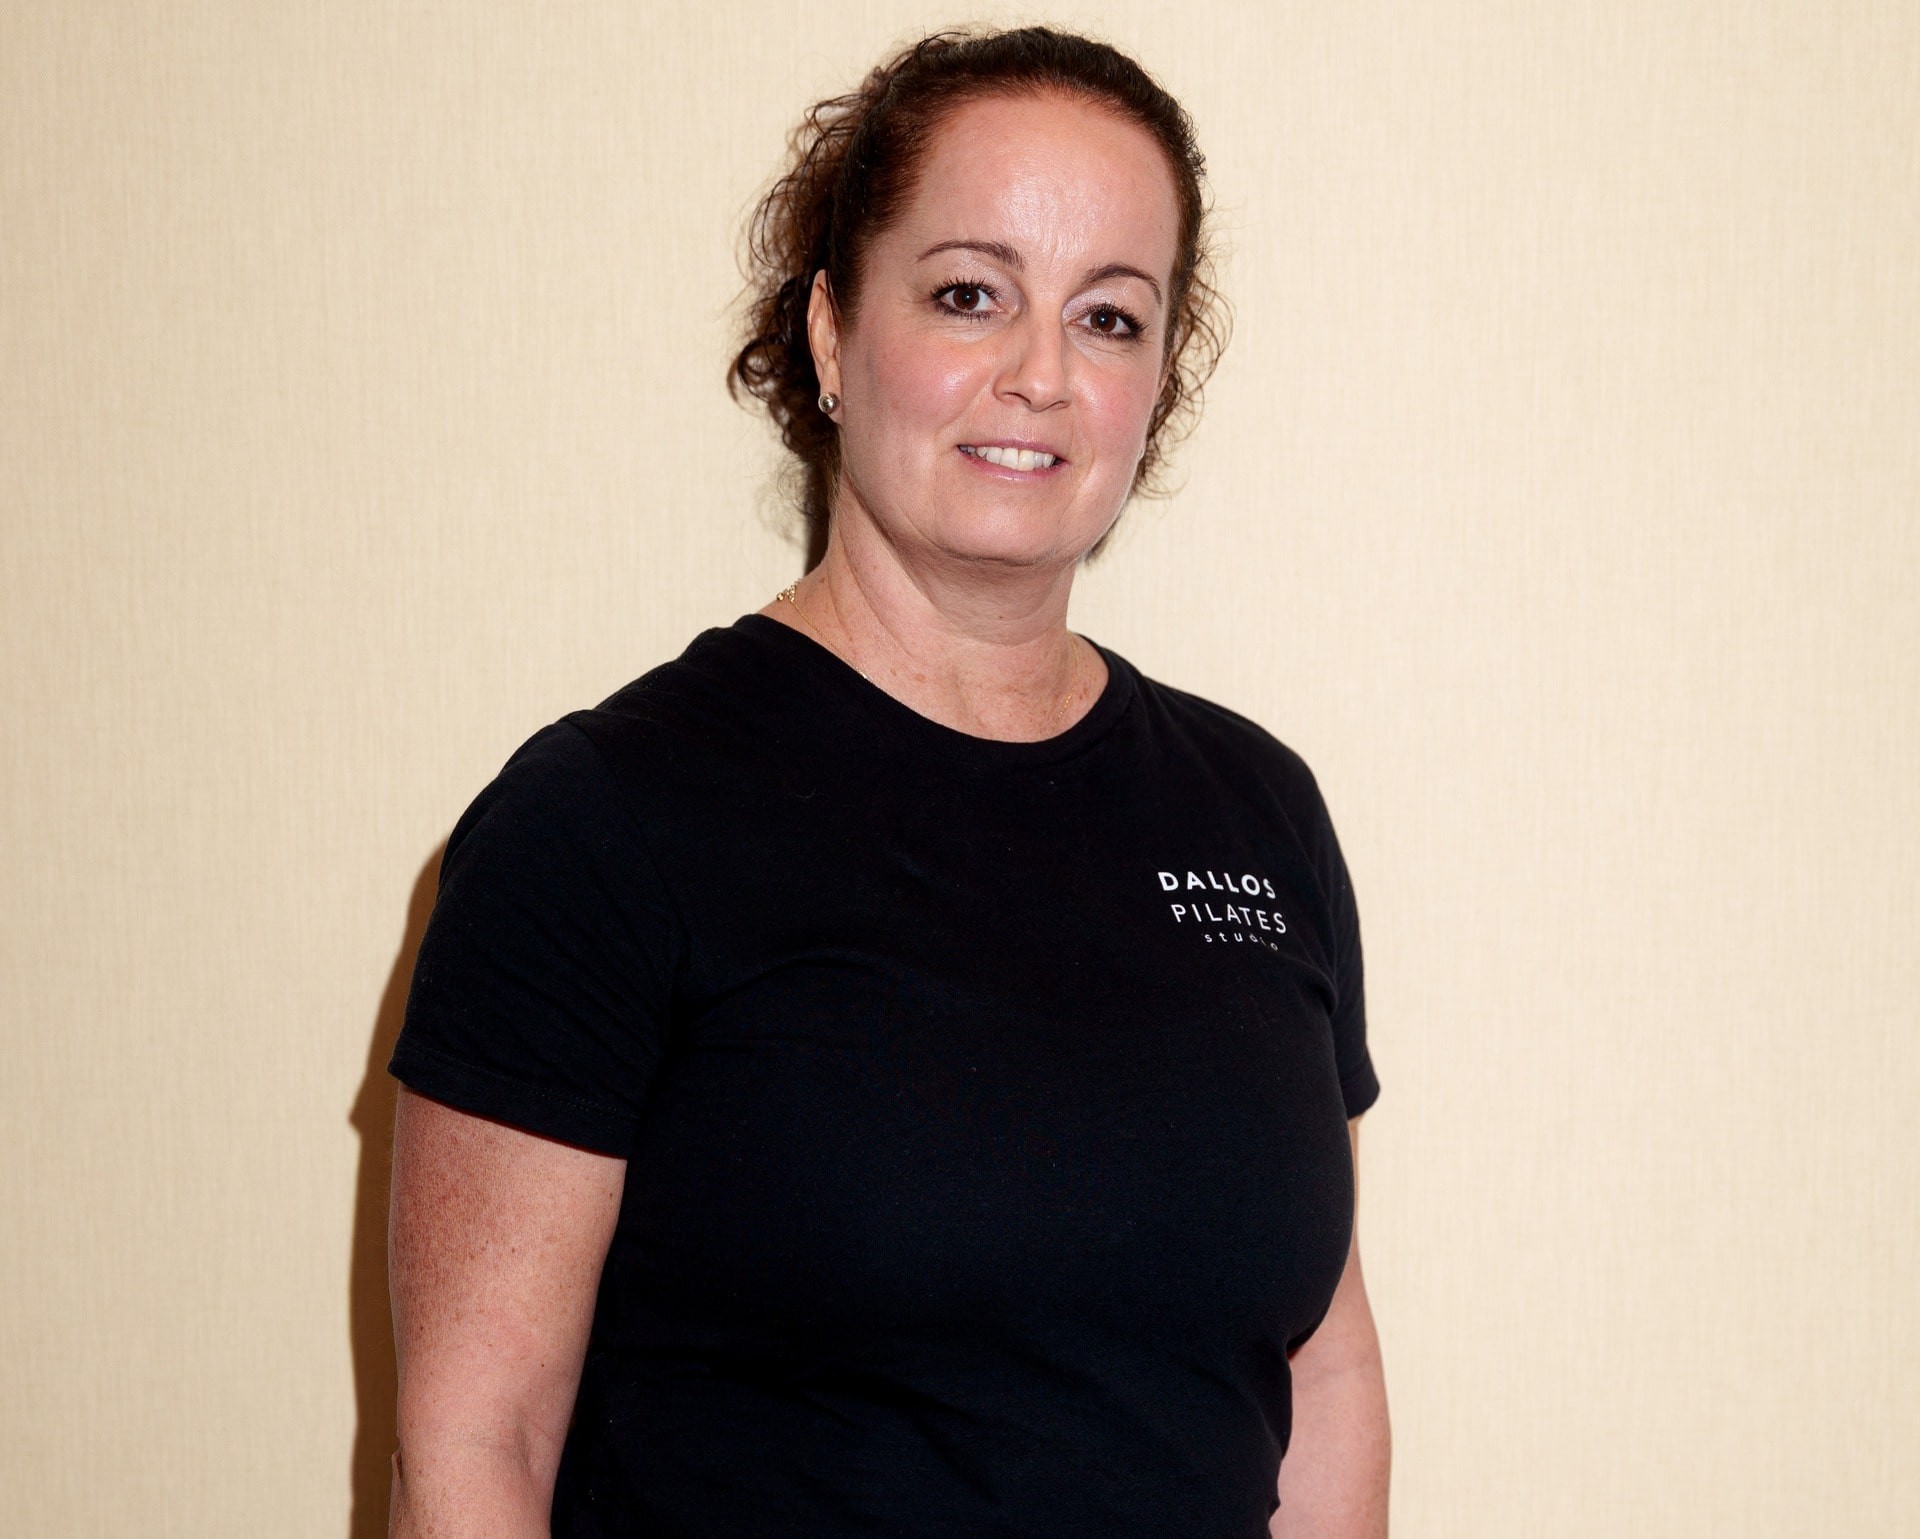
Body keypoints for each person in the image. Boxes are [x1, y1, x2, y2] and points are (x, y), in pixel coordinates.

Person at [385, 25, 1389, 1539]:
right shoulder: (604, 820)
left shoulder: (1259, 809)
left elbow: (1325, 1372)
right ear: (832, 335)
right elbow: (475, 1450)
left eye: (1110, 317)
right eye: (970, 294)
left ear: (1158, 382)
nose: (1041, 375)